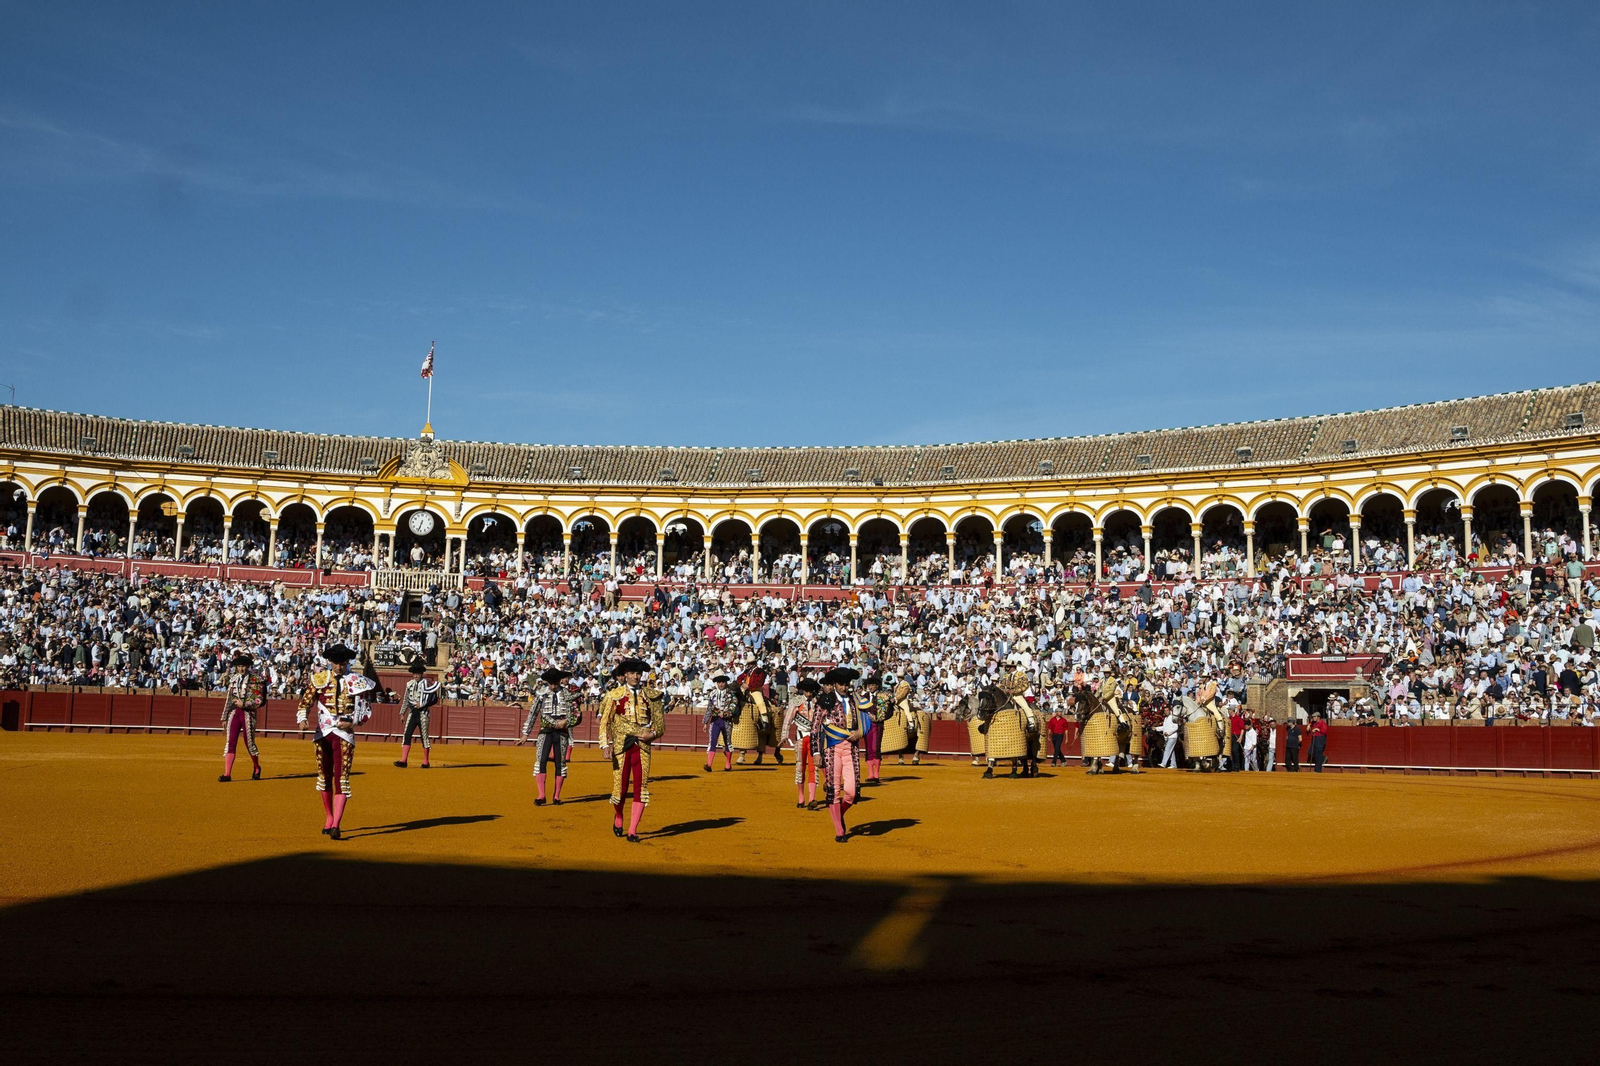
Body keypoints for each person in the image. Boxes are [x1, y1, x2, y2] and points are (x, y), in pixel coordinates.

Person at [296, 644, 384, 840]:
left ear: (347, 662)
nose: (339, 667)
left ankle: (336, 823)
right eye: (336, 663)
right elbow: (306, 702)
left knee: (341, 779)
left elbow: (366, 711)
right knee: (324, 776)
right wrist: (302, 717)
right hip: (322, 733)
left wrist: (352, 721)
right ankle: (329, 817)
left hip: (344, 735)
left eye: (342, 663)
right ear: (330, 662)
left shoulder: (357, 681)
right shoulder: (319, 679)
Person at [598, 658, 665, 842]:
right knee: (619, 790)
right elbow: (605, 723)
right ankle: (618, 816)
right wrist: (605, 745)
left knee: (640, 788)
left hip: (642, 747)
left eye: (638, 673)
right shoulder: (614, 695)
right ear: (625, 674)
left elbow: (660, 725)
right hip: (621, 746)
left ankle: (633, 830)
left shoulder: (651, 695)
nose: (636, 676)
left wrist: (653, 734)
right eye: (632, 673)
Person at [814, 667, 863, 842]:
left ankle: (838, 814)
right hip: (831, 749)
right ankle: (839, 830)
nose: (844, 687)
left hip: (851, 749)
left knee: (851, 791)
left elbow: (866, 720)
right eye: (841, 684)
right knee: (834, 790)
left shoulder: (855, 701)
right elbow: (815, 728)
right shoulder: (825, 700)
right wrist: (816, 752)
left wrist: (860, 732)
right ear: (834, 684)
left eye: (846, 684)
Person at [519, 667, 578, 805]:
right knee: (541, 761)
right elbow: (532, 714)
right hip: (545, 731)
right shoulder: (541, 694)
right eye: (550, 683)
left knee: (560, 764)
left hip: (562, 733)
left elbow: (577, 715)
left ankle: (556, 796)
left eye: (555, 682)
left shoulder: (568, 694)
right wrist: (525, 734)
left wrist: (567, 721)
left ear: (559, 681)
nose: (553, 685)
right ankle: (541, 795)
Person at [218, 651, 265, 782]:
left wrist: (244, 703)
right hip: (235, 713)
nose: (241, 668)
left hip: (248, 714)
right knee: (230, 742)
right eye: (239, 666)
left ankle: (256, 767)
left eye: (243, 666)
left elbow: (259, 700)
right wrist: (224, 716)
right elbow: (229, 699)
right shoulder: (233, 679)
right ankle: (227, 774)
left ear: (248, 666)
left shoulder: (256, 679)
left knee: (249, 743)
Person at [779, 676, 822, 808]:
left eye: (811, 691)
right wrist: (784, 736)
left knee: (813, 767)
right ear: (803, 690)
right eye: (806, 691)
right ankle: (801, 797)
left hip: (814, 738)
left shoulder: (818, 702)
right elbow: (788, 720)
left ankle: (812, 798)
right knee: (800, 766)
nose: (809, 694)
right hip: (801, 737)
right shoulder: (796, 701)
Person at [393, 660, 440, 769]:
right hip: (412, 713)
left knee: (424, 737)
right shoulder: (409, 684)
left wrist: (423, 704)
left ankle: (425, 761)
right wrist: (402, 713)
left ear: (421, 674)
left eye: (417, 674)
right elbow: (406, 699)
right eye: (414, 674)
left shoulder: (427, 684)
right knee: (407, 734)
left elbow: (434, 699)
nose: (415, 676)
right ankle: (404, 760)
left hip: (423, 713)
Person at [703, 674, 737, 772]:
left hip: (726, 721)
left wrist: (726, 713)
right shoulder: (713, 693)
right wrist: (705, 722)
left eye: (723, 682)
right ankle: (709, 765)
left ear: (726, 683)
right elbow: (709, 708)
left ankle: (728, 764)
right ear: (717, 683)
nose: (721, 684)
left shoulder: (731, 694)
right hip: (715, 721)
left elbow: (733, 706)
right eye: (719, 682)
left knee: (727, 743)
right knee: (712, 742)